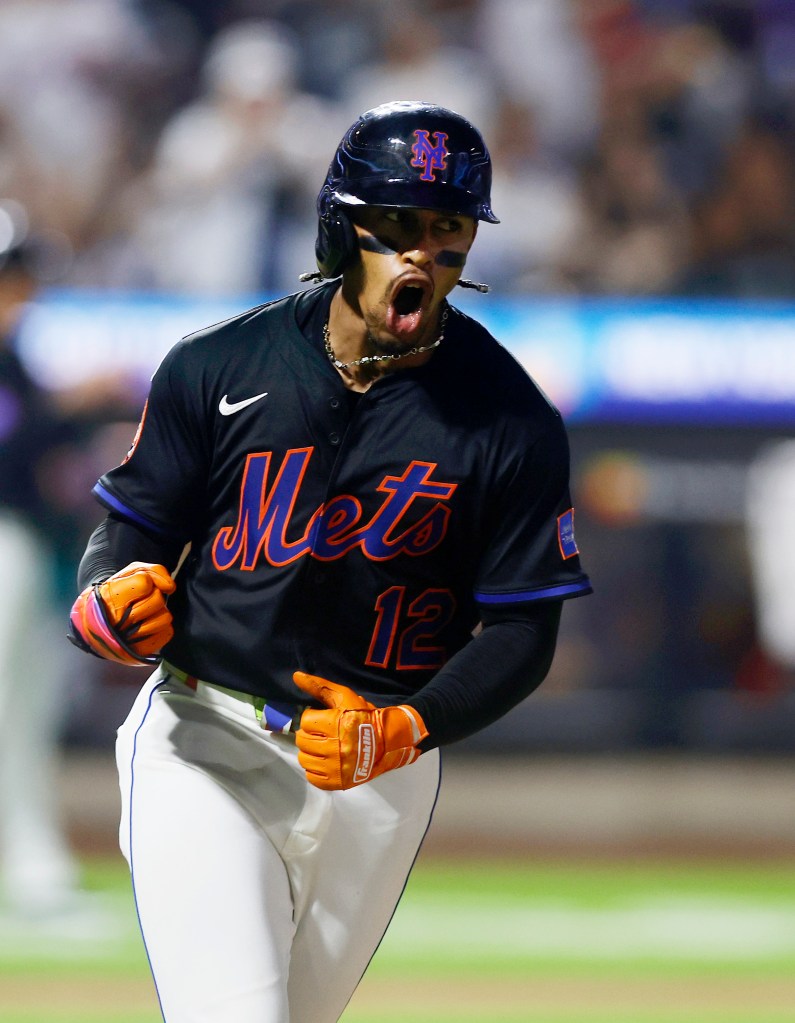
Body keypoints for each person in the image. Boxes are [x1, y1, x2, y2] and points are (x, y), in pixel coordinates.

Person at [68, 100, 593, 1023]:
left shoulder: (510, 418)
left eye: (446, 227)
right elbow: (135, 524)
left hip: (380, 771)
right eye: (394, 222)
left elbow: (522, 628)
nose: (421, 251)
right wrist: (108, 596)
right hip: (207, 738)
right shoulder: (219, 363)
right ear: (340, 227)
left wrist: (409, 727)